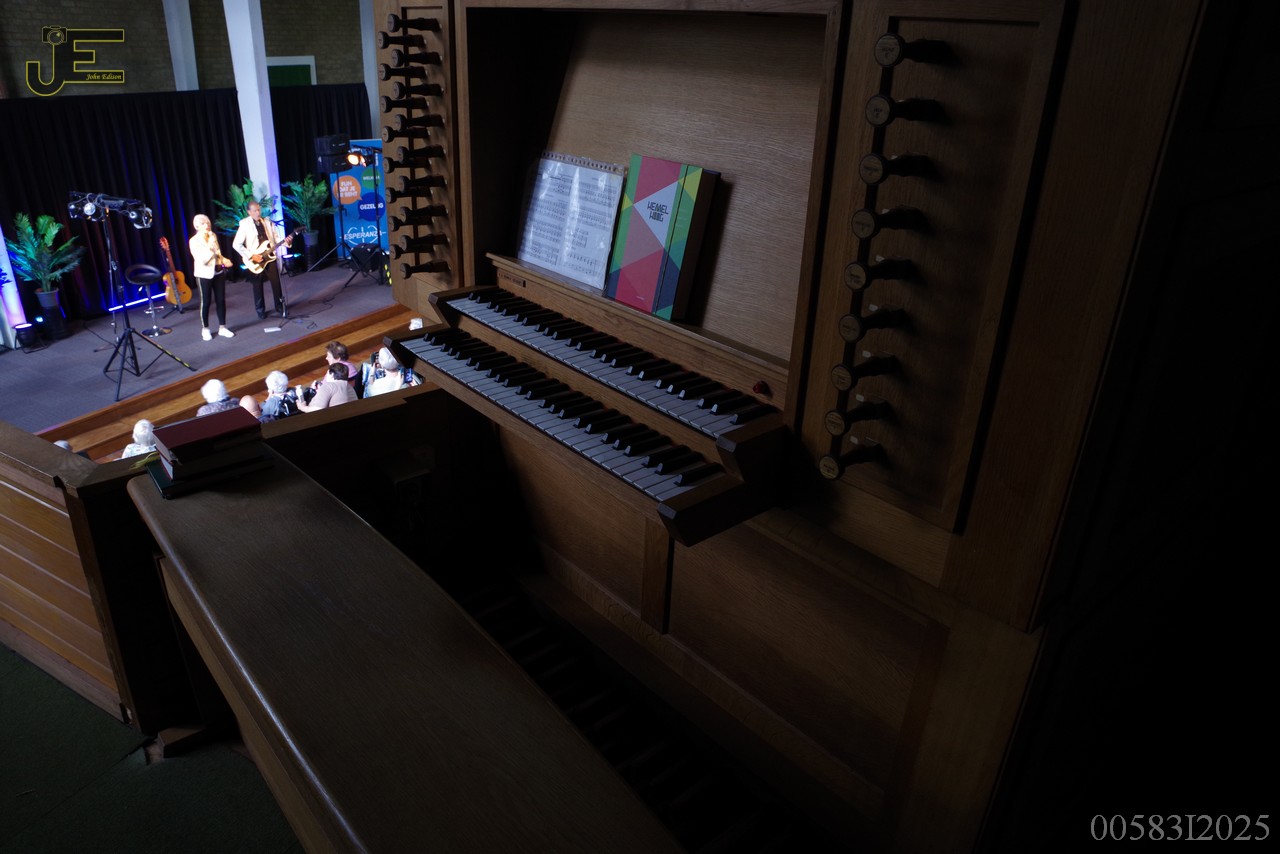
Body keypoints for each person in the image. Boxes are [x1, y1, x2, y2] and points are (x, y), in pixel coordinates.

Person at [232, 200, 292, 319]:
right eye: (254, 211)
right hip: (255, 259)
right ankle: (260, 310)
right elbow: (236, 244)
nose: (258, 213)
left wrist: (287, 242)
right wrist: (251, 255)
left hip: (269, 256)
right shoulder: (244, 224)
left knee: (276, 282)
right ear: (249, 212)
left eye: (258, 210)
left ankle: (279, 306)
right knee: (257, 285)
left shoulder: (267, 222)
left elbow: (276, 239)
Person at [188, 213, 235, 341]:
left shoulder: (212, 235)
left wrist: (224, 260)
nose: (207, 225)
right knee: (206, 302)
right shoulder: (194, 241)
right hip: (204, 274)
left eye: (208, 223)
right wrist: (209, 246)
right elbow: (202, 260)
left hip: (218, 272)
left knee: (221, 300)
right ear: (197, 226)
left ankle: (222, 327)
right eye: (203, 223)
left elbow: (217, 254)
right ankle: (205, 329)